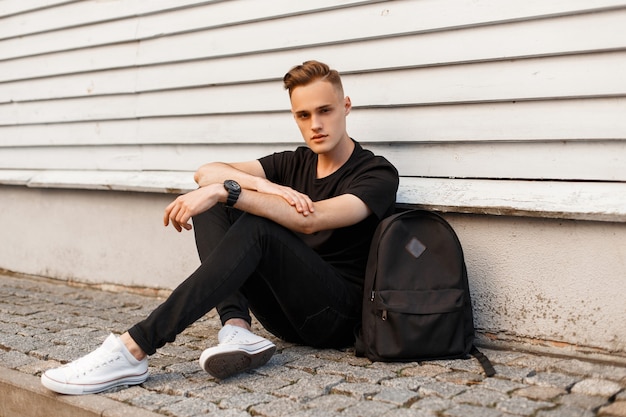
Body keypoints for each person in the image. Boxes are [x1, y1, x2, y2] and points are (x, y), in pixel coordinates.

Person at [41, 60, 399, 395]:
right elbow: (207, 171)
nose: (315, 125)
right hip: (284, 316)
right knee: (213, 201)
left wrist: (227, 191)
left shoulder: (376, 173)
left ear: (346, 106)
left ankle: (134, 347)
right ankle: (237, 329)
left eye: (325, 111)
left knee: (240, 210)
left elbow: (311, 219)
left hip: (334, 317)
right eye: (303, 115)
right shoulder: (294, 163)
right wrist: (266, 186)